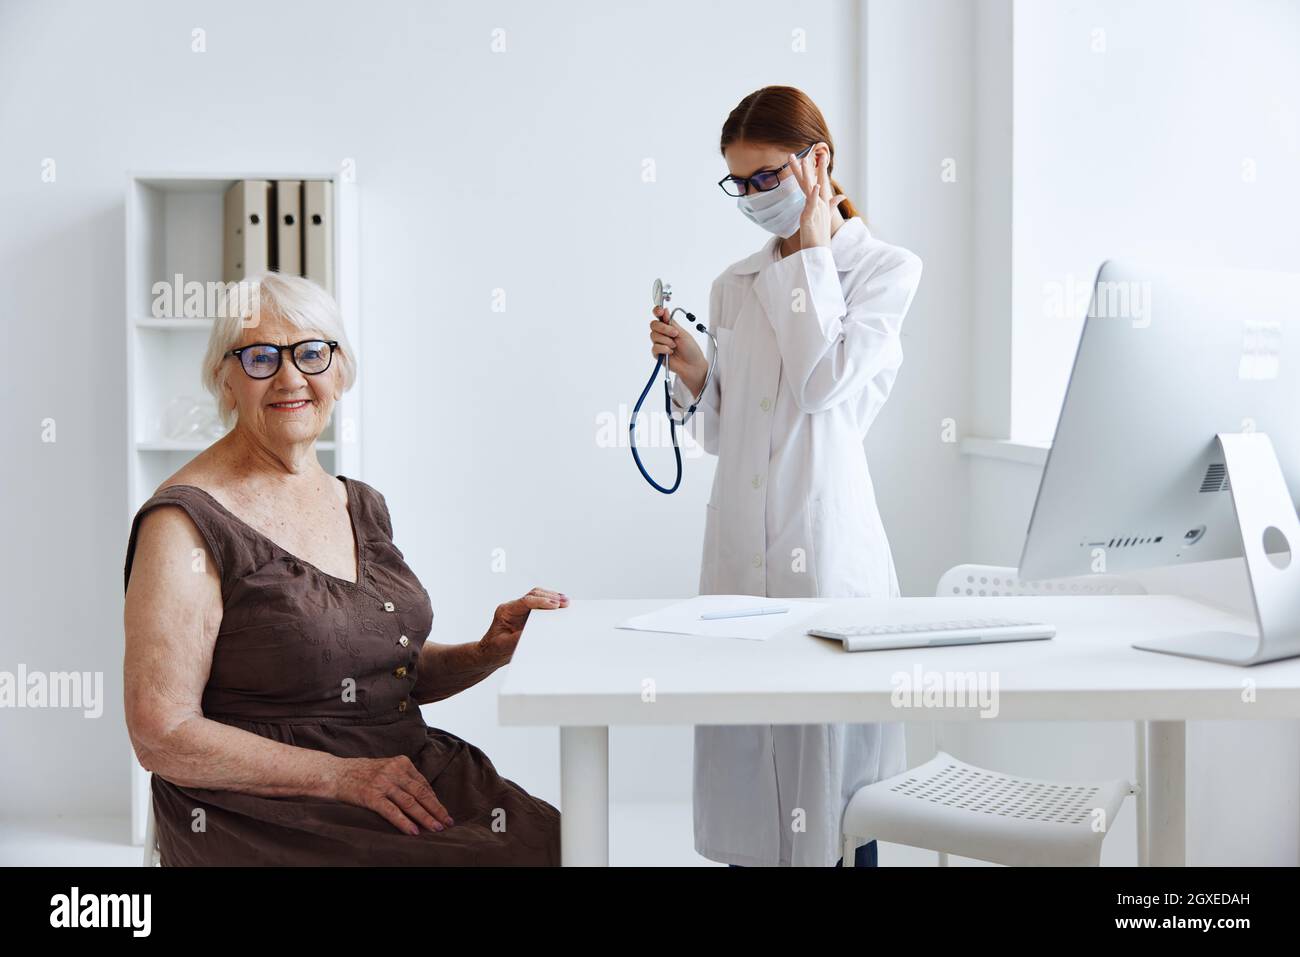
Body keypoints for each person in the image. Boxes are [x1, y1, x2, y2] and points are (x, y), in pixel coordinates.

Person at [124, 271, 565, 865]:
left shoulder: (357, 501)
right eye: (260, 358)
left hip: (398, 771)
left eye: (311, 352)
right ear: (225, 380)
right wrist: (341, 778)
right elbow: (162, 733)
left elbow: (379, 671)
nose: (290, 377)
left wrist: (488, 650)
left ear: (340, 371)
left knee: (563, 841)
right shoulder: (183, 522)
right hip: (265, 805)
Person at [648, 85, 924, 867]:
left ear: (818, 162)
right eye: (740, 183)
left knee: (834, 800)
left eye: (768, 176)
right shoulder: (733, 284)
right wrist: (699, 373)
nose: (752, 197)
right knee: (752, 796)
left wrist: (808, 254)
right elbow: (725, 438)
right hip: (740, 560)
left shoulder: (884, 271)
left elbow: (823, 385)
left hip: (830, 555)